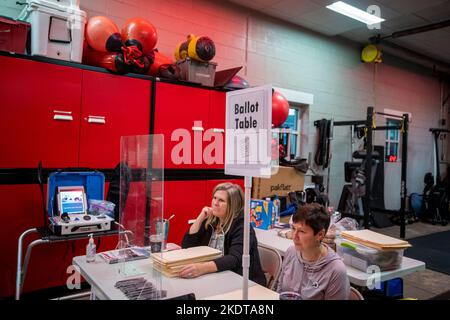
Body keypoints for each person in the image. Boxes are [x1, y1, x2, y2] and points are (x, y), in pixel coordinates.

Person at [179, 182, 266, 286]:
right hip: (217, 277)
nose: (215, 203)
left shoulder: (242, 225)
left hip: (243, 282)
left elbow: (234, 259)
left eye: (221, 200)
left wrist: (202, 268)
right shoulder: (212, 220)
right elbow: (187, 246)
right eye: (214, 198)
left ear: (233, 205)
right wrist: (200, 217)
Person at [277, 203, 350, 300]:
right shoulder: (291, 252)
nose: (294, 236)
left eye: (302, 231)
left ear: (320, 234)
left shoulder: (335, 270)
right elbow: (279, 292)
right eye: (293, 229)